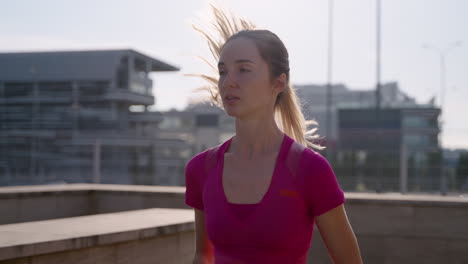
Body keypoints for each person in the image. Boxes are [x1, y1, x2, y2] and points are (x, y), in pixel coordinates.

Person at [185, 6, 362, 264]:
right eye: (223, 71)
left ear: (278, 83)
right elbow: (203, 256)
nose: (227, 81)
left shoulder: (310, 170)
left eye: (243, 70)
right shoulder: (201, 168)